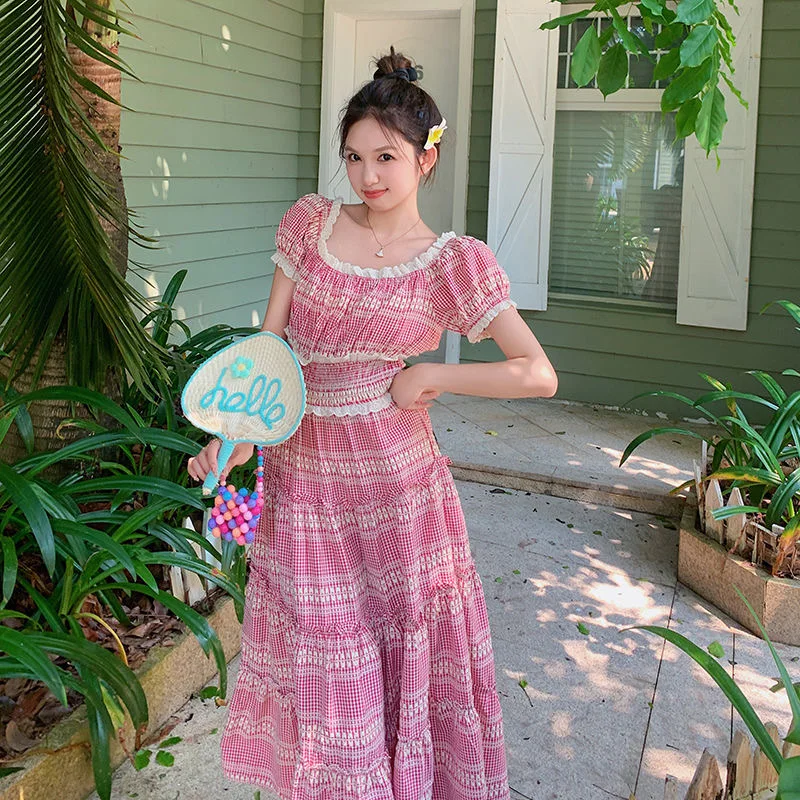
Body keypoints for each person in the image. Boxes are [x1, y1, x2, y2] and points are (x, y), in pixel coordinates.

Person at [186, 47, 558, 800]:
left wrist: (432, 374)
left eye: (386, 156)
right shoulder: (309, 225)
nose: (367, 176)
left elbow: (537, 373)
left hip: (399, 491)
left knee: (398, 656)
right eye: (353, 157)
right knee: (323, 659)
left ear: (428, 156)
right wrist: (228, 441)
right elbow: (274, 353)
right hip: (304, 480)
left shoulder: (453, 262)